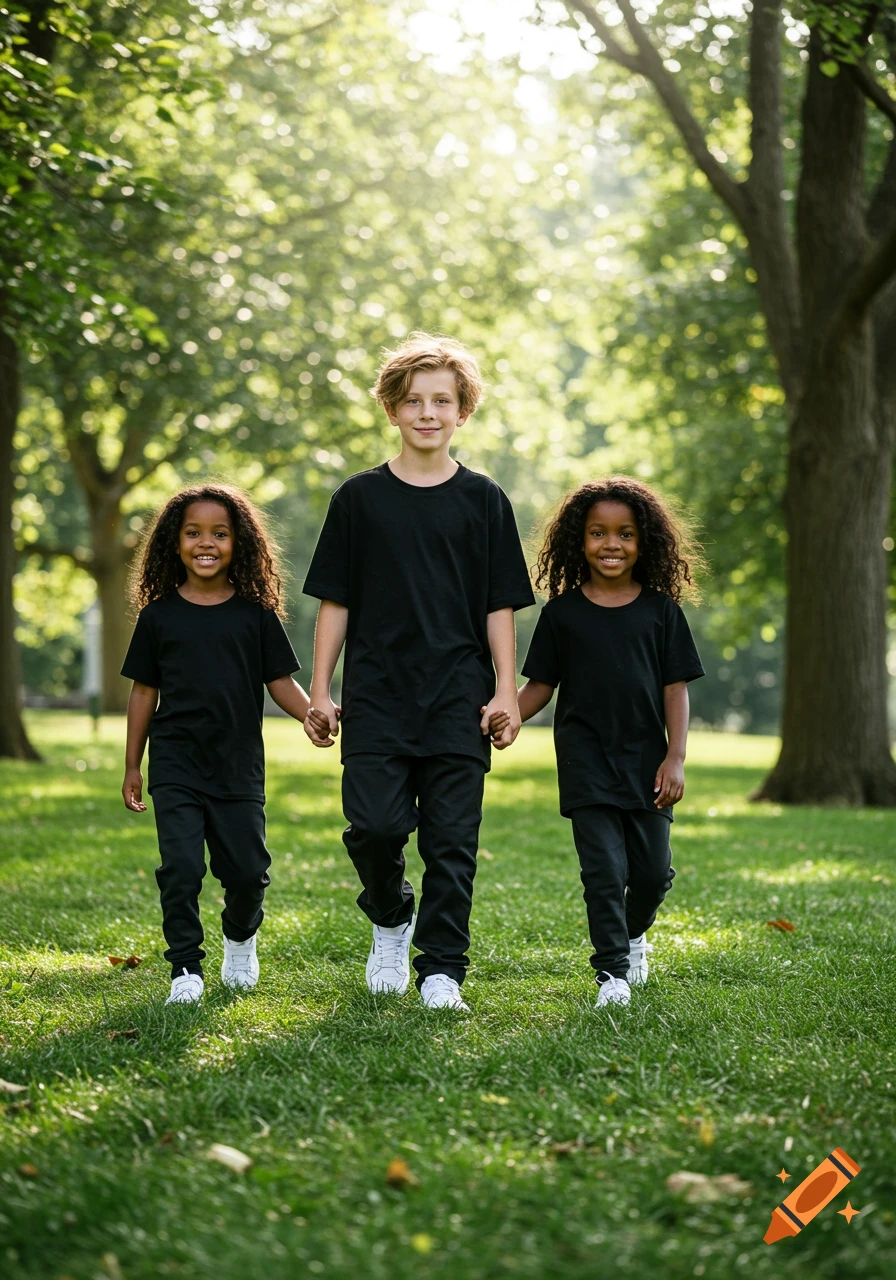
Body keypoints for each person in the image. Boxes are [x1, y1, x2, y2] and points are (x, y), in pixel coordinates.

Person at [301, 333, 534, 1010]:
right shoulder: (359, 499)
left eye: (442, 400)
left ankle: (441, 972)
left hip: (458, 699)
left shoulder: (485, 501)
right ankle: (390, 916)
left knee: (453, 842)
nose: (427, 412)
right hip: (376, 696)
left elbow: (500, 606)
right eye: (413, 401)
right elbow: (335, 602)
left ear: (463, 411)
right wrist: (321, 689)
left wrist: (505, 691)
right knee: (373, 828)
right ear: (392, 410)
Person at [493, 476, 704, 1009]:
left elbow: (674, 690)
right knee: (604, 872)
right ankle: (612, 973)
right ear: (578, 541)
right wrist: (505, 716)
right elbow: (539, 687)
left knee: (652, 875)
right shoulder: (562, 614)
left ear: (645, 542)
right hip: (586, 763)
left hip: (648, 764)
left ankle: (634, 937)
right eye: (598, 533)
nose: (612, 544)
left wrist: (675, 756)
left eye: (626, 534)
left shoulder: (661, 612)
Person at [120, 483, 327, 1005]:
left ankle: (240, 939)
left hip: (237, 768)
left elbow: (280, 681)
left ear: (240, 544)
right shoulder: (159, 616)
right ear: (174, 542)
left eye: (219, 533)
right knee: (182, 869)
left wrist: (313, 715)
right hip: (176, 764)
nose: (205, 543)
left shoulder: (255, 615)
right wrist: (132, 765)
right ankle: (185, 969)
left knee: (247, 872)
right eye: (192, 533)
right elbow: (144, 692)